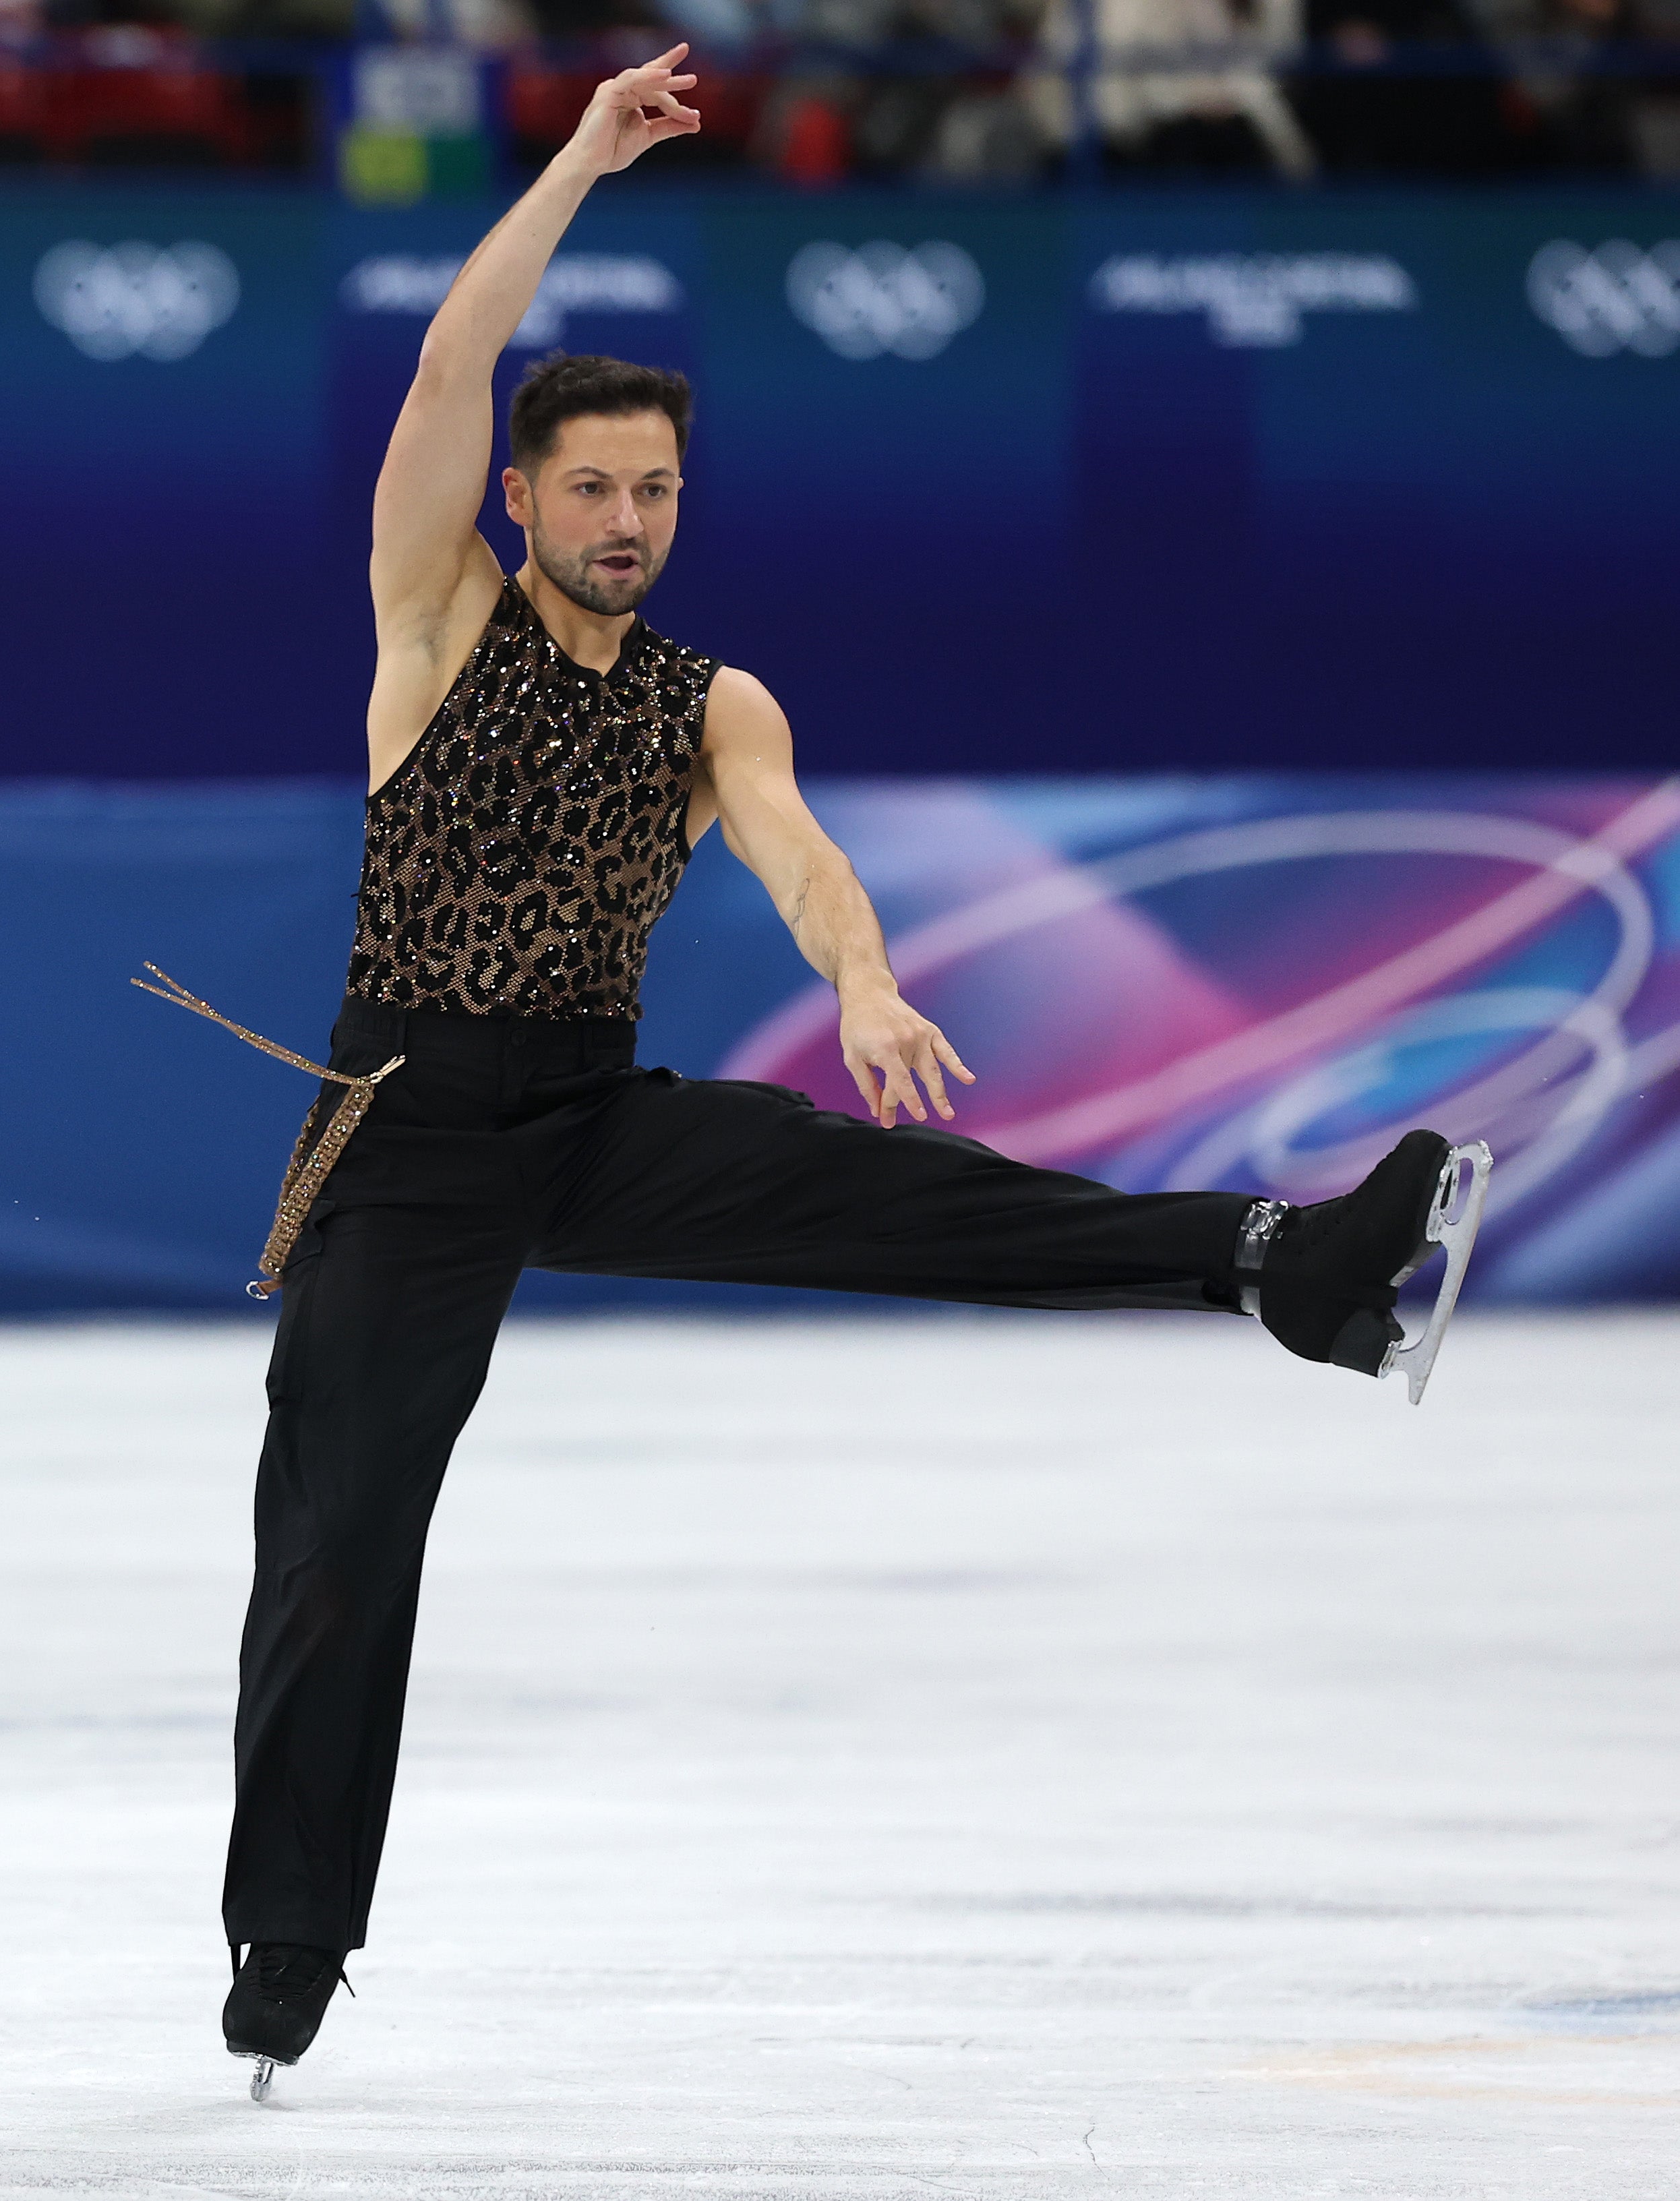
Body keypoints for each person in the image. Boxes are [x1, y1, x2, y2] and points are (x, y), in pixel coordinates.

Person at [191, 48, 1482, 2097]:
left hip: (593, 1109)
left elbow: (795, 854)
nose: (629, 519)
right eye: (595, 487)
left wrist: (866, 978)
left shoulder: (721, 699)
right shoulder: (435, 618)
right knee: (341, 1536)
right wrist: (582, 160)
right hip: (412, 1131)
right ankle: (290, 1939)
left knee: (912, 1198)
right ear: (526, 502)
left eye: (658, 491)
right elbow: (451, 360)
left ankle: (1285, 1264)